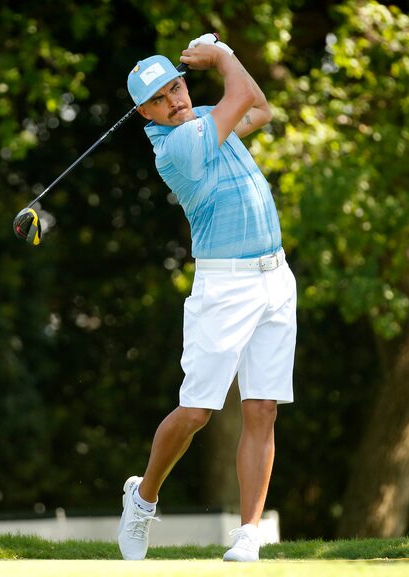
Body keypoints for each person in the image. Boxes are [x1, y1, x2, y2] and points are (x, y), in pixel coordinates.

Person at [117, 34, 297, 562]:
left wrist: (225, 63)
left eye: (177, 87)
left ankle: (248, 534)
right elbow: (241, 99)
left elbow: (259, 106)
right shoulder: (176, 146)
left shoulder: (207, 123)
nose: (175, 100)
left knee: (261, 407)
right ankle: (143, 497)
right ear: (146, 113)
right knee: (196, 412)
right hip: (225, 286)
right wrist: (222, 56)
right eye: (161, 98)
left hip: (274, 277)